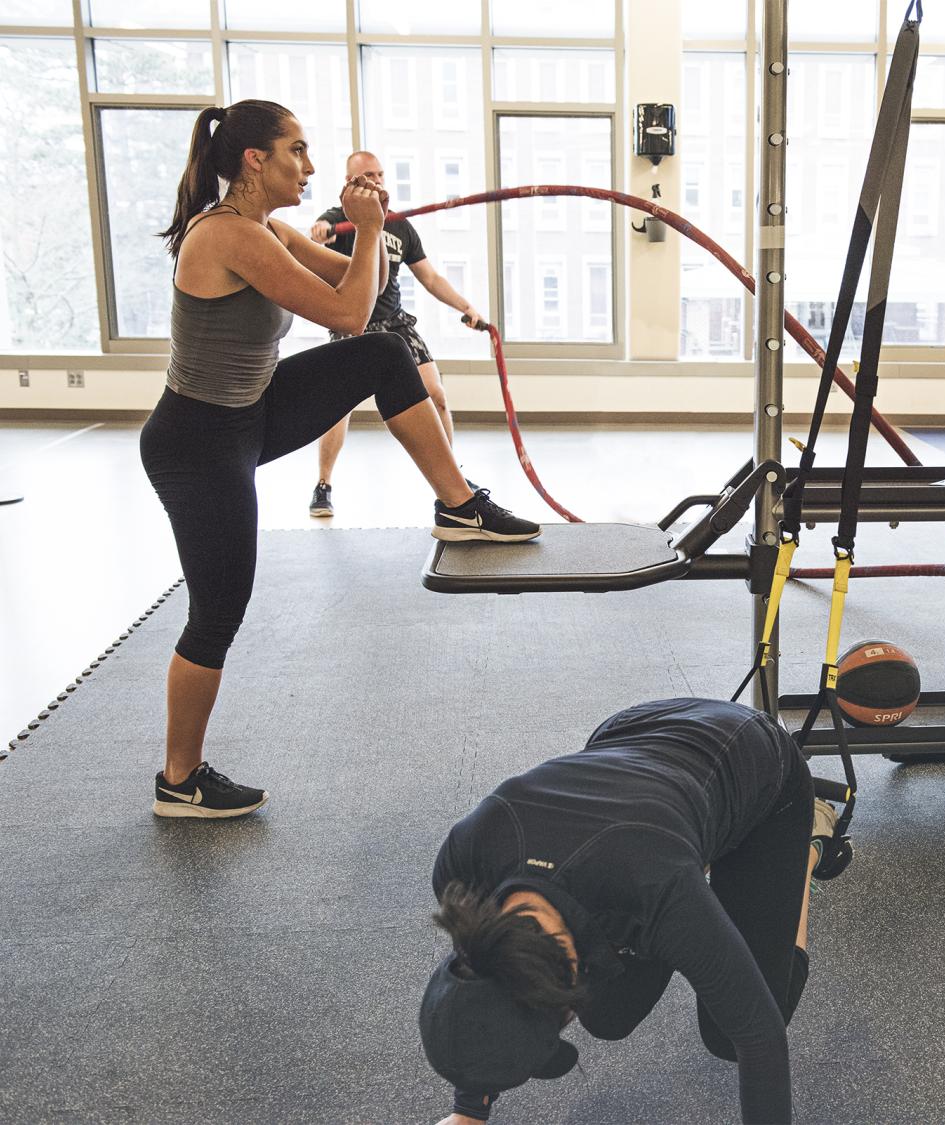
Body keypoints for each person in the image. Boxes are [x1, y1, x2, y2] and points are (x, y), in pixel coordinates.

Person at [143, 100, 541, 820]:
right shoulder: (227, 236)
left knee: (388, 356)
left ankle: (458, 504)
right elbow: (347, 311)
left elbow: (366, 294)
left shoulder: (270, 230)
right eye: (298, 150)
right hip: (196, 442)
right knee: (218, 609)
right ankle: (180, 778)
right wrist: (367, 233)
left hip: (251, 412)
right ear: (255, 160)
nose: (312, 166)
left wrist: (373, 235)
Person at [419, 698, 842, 1125]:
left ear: (570, 970)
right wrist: (469, 1112)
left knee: (728, 1037)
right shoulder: (462, 876)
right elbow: (483, 986)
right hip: (634, 769)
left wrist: (689, 917)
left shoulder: (656, 886)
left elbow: (760, 1037)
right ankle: (694, 849)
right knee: (609, 1016)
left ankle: (806, 849)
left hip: (755, 761)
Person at [306, 151, 484, 518]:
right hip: (352, 325)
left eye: (380, 174)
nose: (377, 180)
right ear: (350, 183)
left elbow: (430, 277)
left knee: (436, 396)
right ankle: (323, 485)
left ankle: (452, 484)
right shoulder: (340, 220)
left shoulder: (401, 226)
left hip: (396, 324)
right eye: (367, 175)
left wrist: (465, 307)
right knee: (335, 410)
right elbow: (318, 234)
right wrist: (321, 233)